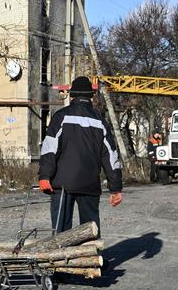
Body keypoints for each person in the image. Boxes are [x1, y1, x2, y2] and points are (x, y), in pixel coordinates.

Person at [39, 76, 123, 236]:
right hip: (89, 183)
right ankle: (92, 259)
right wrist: (115, 188)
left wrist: (44, 175)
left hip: (62, 184)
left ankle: (61, 259)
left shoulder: (61, 117)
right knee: (90, 230)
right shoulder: (100, 121)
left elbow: (50, 148)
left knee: (61, 231)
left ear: (72, 96)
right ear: (91, 96)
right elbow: (111, 156)